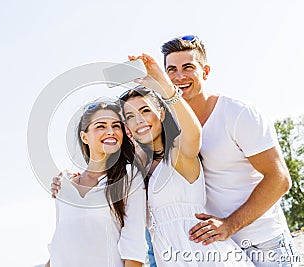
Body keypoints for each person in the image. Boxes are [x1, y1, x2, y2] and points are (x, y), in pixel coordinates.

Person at [52, 54, 254, 266]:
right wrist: (66, 180)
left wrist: (163, 82)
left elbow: (193, 133)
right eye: (129, 116)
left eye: (145, 110)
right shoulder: (135, 171)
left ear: (162, 114)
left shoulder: (178, 156)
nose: (138, 119)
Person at [160, 35, 298, 266]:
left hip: (265, 243)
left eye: (188, 67)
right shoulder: (170, 128)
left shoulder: (237, 114)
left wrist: (229, 224)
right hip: (219, 249)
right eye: (171, 69)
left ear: (206, 71)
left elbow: (280, 179)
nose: (179, 76)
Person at [46, 100, 147, 267]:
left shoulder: (129, 178)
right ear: (84, 137)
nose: (111, 132)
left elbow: (134, 248)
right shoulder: (64, 185)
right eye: (101, 126)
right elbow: (60, 243)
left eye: (116, 126)